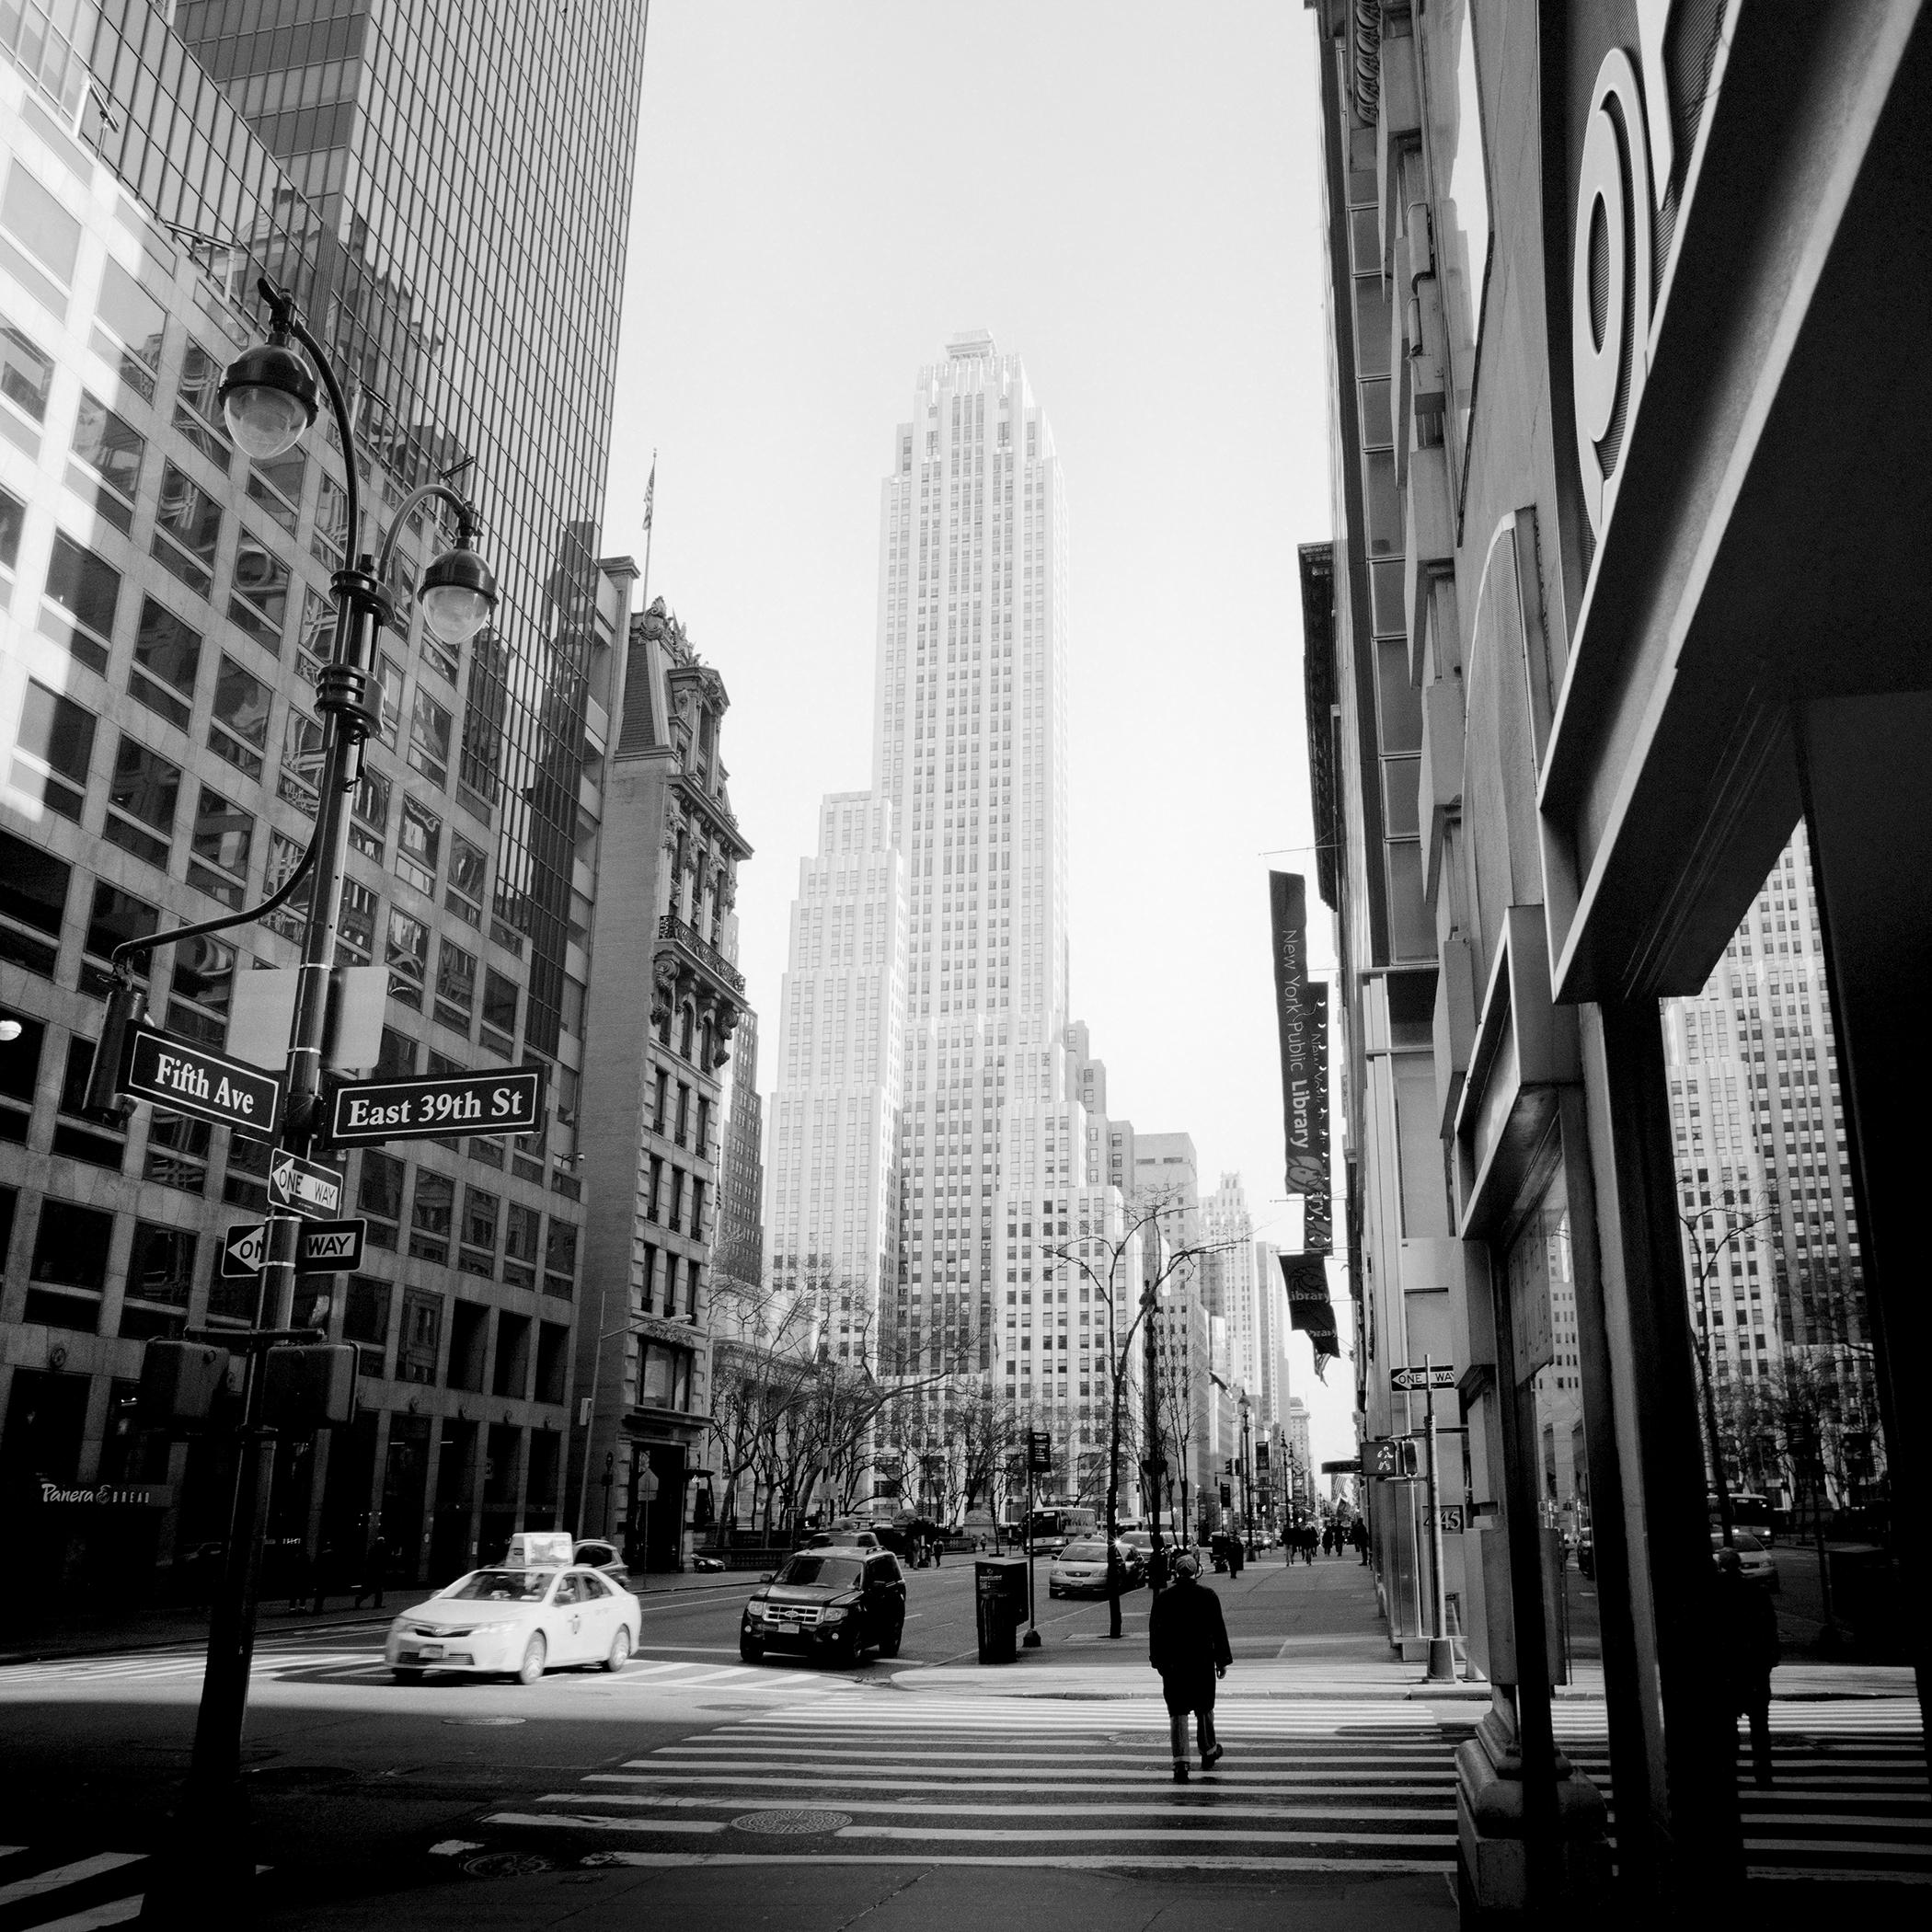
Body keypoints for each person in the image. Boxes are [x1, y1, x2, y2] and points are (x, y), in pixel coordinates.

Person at [1147, 1550, 1233, 1782]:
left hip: (1174, 1663)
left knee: (1178, 1711)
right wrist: (1222, 1660)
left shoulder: (1164, 1599)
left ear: (1176, 1572)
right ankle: (1208, 1750)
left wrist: (1158, 1661)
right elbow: (1218, 1630)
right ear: (1195, 1571)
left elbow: (1155, 1633)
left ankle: (1181, 1762)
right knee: (1204, 1707)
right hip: (1201, 1660)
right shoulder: (1208, 1596)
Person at [1713, 1545, 1780, 1787]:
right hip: (1754, 1664)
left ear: (1721, 1565)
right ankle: (1763, 1771)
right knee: (1760, 1723)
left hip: (1728, 1666)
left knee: (1727, 1722)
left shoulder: (1715, 1591)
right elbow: (1769, 1625)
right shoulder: (1756, 1590)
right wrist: (1771, 1656)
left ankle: (1729, 1768)